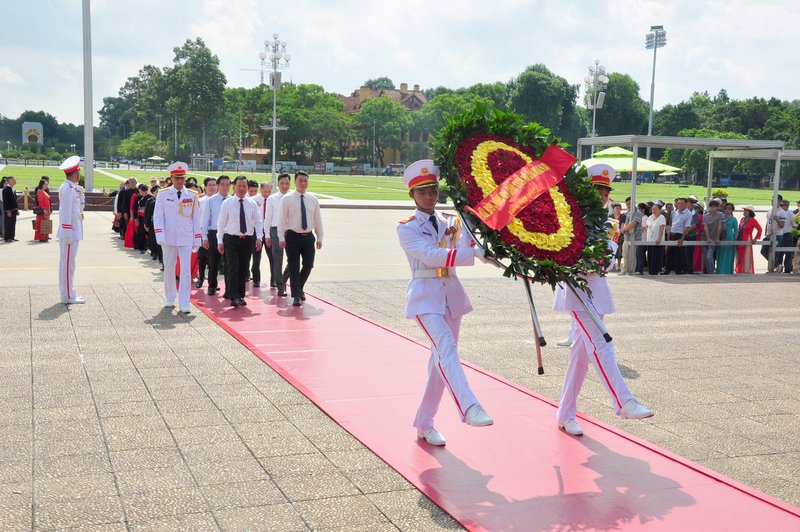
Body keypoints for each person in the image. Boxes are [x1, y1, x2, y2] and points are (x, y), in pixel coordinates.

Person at [397, 159, 494, 446]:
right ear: (412, 195)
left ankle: (424, 422)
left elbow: (467, 246)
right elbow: (431, 255)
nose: (429, 196)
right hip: (425, 296)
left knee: (440, 363)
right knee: (446, 348)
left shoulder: (452, 221)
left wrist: (479, 240)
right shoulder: (407, 228)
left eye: (433, 190)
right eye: (422, 191)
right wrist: (471, 255)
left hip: (451, 295)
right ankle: (469, 406)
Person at [554, 273, 654, 436]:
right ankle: (624, 401)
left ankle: (565, 414)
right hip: (576, 292)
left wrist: (598, 262)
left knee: (579, 358)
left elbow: (609, 257)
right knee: (601, 343)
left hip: (597, 293)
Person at [153, 162, 202, 313]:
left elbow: (196, 219)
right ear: (171, 178)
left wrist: (197, 240)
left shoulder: (192, 195)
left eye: (182, 178)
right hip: (168, 237)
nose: (180, 181)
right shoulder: (163, 194)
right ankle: (170, 297)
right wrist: (160, 234)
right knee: (168, 268)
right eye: (177, 178)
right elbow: (158, 217)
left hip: (185, 237)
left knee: (186, 271)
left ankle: (184, 302)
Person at [278, 171, 324, 307]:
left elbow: (317, 219)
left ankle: (299, 287)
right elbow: (281, 219)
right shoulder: (287, 199)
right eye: (300, 181)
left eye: (305, 181)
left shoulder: (313, 199)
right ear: (295, 182)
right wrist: (281, 237)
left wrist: (320, 236)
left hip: (308, 236)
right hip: (292, 236)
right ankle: (297, 295)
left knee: (309, 265)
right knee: (294, 266)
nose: (303, 183)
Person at [216, 176, 264, 307]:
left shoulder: (252, 204)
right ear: (234, 187)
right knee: (233, 267)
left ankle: (241, 296)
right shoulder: (228, 203)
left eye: (244, 186)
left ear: (247, 187)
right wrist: (220, 241)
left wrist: (259, 237)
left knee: (243, 268)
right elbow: (221, 223)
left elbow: (258, 221)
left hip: (247, 239)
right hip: (231, 239)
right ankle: (233, 296)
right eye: (239, 186)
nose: (242, 189)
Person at [57, 156, 85, 304]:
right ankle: (68, 296)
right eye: (79, 172)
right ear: (75, 173)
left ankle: (68, 292)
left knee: (68, 264)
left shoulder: (71, 187)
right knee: (67, 264)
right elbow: (65, 213)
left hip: (73, 230)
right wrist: (68, 234)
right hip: (70, 232)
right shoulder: (68, 189)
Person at [201, 175, 232, 297]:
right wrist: (205, 237)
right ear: (218, 186)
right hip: (214, 232)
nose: (225, 187)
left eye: (227, 185)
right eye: (222, 184)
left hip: (229, 233)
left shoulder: (232, 200)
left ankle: (229, 288)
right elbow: (206, 220)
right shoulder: (212, 200)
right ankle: (212, 285)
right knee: (214, 260)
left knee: (229, 262)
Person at [265, 173, 291, 297]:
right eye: (282, 183)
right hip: (276, 231)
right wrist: (267, 235)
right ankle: (280, 286)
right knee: (277, 260)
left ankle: (283, 279)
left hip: (291, 231)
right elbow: (268, 218)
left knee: (293, 260)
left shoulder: (293, 197)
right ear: (278, 184)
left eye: (287, 183)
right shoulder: (272, 198)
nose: (284, 186)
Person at [251, 181, 274, 288]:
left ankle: (274, 280)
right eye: (265, 191)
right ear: (260, 190)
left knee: (273, 257)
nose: (267, 194)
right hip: (257, 232)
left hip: (269, 231)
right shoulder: (253, 200)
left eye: (269, 191)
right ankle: (256, 279)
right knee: (256, 257)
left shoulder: (273, 200)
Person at [196, 177, 217, 288]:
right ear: (205, 187)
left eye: (214, 185)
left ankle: (213, 280)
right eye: (210, 185)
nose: (213, 187)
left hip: (215, 232)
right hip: (203, 231)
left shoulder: (220, 200)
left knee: (214, 258)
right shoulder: (200, 201)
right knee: (202, 256)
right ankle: (201, 277)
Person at [736, 205, 762, 274]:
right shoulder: (742, 219)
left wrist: (756, 238)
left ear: (750, 212)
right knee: (740, 254)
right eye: (744, 210)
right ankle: (740, 269)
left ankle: (746, 270)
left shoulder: (752, 220)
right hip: (740, 239)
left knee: (746, 255)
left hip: (747, 239)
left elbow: (759, 229)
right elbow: (739, 229)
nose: (744, 212)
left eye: (746, 210)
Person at [702, 200, 724, 273]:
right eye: (711, 206)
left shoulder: (720, 215)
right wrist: (708, 238)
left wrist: (717, 238)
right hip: (704, 238)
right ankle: (708, 271)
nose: (712, 208)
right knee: (705, 256)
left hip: (714, 238)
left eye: (714, 207)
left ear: (717, 207)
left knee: (709, 255)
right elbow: (706, 227)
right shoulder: (705, 216)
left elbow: (719, 227)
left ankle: (711, 271)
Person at [143, 185, 162, 267]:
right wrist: (146, 224)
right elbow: (147, 213)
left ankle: (160, 255)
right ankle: (154, 252)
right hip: (153, 223)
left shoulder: (165, 202)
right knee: (153, 239)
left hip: (162, 224)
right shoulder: (151, 202)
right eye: (157, 192)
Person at [717, 203, 738, 274]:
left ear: (732, 210)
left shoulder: (733, 219)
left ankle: (728, 271)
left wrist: (735, 240)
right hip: (722, 236)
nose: (727, 210)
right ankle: (720, 270)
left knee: (728, 255)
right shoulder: (721, 217)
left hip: (729, 236)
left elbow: (736, 230)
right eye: (726, 208)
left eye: (729, 208)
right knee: (721, 254)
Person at [647, 202, 666, 275]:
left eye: (656, 209)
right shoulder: (650, 217)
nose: (654, 211)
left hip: (657, 241)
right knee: (649, 257)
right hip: (650, 240)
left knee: (656, 257)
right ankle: (650, 272)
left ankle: (654, 272)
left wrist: (660, 238)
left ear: (660, 210)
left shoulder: (661, 217)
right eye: (653, 209)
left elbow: (662, 228)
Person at [2, 176, 19, 242]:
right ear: (9, 181)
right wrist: (7, 210)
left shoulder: (13, 189)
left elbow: (15, 200)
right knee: (8, 223)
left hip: (14, 209)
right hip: (9, 210)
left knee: (13, 223)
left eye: (15, 180)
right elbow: (5, 201)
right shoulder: (6, 189)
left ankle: (12, 236)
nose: (15, 181)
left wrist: (16, 209)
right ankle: (7, 237)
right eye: (13, 180)